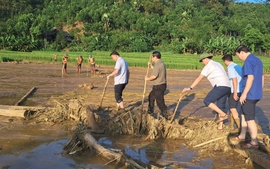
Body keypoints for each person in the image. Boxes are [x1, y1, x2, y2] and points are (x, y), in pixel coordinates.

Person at [182, 53, 231, 130]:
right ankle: (220, 127)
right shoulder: (218, 64)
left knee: (207, 101)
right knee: (220, 106)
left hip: (220, 86)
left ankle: (223, 115)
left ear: (206, 59)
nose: (202, 63)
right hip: (227, 87)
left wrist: (190, 88)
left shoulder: (208, 66)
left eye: (202, 61)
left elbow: (199, 78)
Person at [232, 45, 264, 149]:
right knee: (243, 113)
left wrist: (244, 94)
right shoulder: (258, 60)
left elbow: (250, 78)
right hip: (256, 93)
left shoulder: (248, 62)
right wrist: (259, 90)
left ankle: (254, 142)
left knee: (250, 118)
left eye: (238, 56)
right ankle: (242, 135)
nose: (239, 58)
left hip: (249, 94)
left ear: (242, 52)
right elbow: (262, 77)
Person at [222, 54, 242, 134]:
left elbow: (234, 79)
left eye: (224, 62)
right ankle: (231, 125)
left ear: (226, 61)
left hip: (235, 90)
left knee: (233, 108)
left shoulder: (230, 68)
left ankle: (239, 128)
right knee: (233, 107)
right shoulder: (238, 66)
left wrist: (234, 92)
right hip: (241, 89)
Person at [145, 51, 168, 119]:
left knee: (160, 102)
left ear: (155, 57)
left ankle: (165, 115)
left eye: (152, 57)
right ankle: (150, 111)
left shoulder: (158, 64)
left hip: (159, 86)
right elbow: (157, 71)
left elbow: (154, 76)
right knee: (151, 97)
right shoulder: (161, 63)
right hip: (160, 85)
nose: (151, 58)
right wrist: (151, 66)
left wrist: (147, 78)